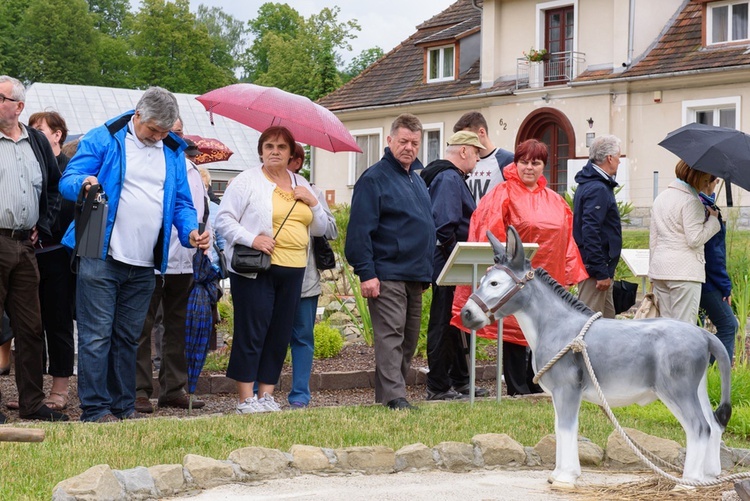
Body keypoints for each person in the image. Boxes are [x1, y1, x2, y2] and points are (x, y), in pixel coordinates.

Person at [59, 87, 210, 422]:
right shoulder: (105, 137)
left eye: (164, 131)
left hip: (145, 264)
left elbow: (183, 203)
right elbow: (66, 180)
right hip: (101, 254)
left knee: (128, 338)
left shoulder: (172, 150)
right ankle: (96, 408)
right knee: (96, 337)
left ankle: (124, 406)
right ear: (137, 115)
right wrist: (83, 182)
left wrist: (190, 231)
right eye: (153, 129)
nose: (157, 136)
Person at [451, 139, 588, 396]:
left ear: (543, 166)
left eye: (535, 163)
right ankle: (517, 387)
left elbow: (568, 239)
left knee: (542, 329)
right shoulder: (502, 194)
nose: (529, 167)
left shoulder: (555, 200)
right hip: (513, 279)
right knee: (514, 328)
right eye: (524, 162)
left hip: (546, 278)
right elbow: (488, 232)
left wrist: (569, 273)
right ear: (516, 163)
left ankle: (536, 381)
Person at [215, 126, 328, 414]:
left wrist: (313, 203)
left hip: (294, 269)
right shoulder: (247, 181)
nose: (275, 151)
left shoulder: (301, 183)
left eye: (281, 147)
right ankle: (245, 398)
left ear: (292, 153)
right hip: (256, 269)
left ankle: (266, 394)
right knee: (252, 331)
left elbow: (320, 228)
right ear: (261, 151)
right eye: (269, 146)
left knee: (279, 333)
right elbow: (224, 220)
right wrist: (253, 238)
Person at [345, 113, 436, 410]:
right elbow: (359, 232)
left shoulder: (417, 180)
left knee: (408, 340)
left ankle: (387, 398)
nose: (409, 147)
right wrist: (366, 273)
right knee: (390, 337)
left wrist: (425, 274)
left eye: (414, 142)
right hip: (386, 273)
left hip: (414, 274)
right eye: (403, 141)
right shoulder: (374, 179)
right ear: (389, 140)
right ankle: (396, 398)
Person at [0, 75, 68, 422]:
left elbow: (54, 188)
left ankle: (32, 403)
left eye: (0, 98)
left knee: (30, 326)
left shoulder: (37, 142)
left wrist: (42, 227)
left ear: (18, 107)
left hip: (26, 245)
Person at [134, 135, 210, 414]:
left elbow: (202, 215)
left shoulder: (193, 172)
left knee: (178, 327)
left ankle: (174, 388)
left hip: (184, 262)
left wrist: (204, 247)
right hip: (150, 259)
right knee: (142, 327)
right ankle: (139, 390)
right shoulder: (153, 164)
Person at [420, 131, 484, 401]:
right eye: (477, 153)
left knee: (456, 321)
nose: (479, 159)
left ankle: (459, 380)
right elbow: (444, 225)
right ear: (464, 151)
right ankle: (438, 385)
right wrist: (454, 257)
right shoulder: (448, 178)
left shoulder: (446, 175)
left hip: (451, 259)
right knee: (445, 322)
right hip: (449, 261)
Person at [28, 111, 76, 411]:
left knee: (58, 321)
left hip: (57, 253)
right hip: (29, 254)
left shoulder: (68, 170)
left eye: (39, 128)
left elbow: (67, 213)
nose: (33, 133)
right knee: (29, 324)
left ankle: (60, 387)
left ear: (57, 135)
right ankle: (31, 390)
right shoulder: (30, 165)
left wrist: (42, 226)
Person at [285, 143, 337, 408]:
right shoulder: (261, 187)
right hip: (270, 277)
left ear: (296, 162)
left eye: (289, 156)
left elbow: (330, 231)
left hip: (305, 279)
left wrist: (313, 201)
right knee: (268, 335)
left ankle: (300, 395)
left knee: (303, 336)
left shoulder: (311, 189)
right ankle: (261, 392)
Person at [648, 160, 719, 323]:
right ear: (698, 177)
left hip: (660, 270)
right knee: (685, 329)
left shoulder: (661, 198)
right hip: (684, 273)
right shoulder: (691, 201)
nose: (707, 183)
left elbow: (653, 239)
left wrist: (652, 271)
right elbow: (695, 239)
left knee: (666, 328)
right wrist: (713, 222)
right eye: (706, 179)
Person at [572, 135, 623, 319]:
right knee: (587, 326)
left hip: (599, 271)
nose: (619, 162)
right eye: (618, 157)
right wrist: (601, 271)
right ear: (609, 158)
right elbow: (590, 231)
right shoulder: (598, 188)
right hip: (595, 273)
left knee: (609, 327)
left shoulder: (593, 183)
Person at [699, 177, 738, 364]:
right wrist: (725, 287)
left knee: (696, 327)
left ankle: (702, 373)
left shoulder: (701, 204)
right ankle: (716, 372)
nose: (716, 184)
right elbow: (714, 256)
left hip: (695, 278)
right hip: (707, 282)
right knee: (729, 325)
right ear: (708, 182)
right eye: (715, 180)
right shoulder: (706, 210)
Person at [453, 111, 514, 202]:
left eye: (467, 137)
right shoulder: (463, 162)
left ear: (482, 132)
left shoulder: (508, 160)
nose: (463, 142)